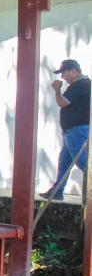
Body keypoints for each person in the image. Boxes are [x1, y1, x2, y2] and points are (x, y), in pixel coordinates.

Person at [41, 59, 90, 200]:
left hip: (76, 131)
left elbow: (62, 102)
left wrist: (57, 90)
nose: (62, 77)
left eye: (63, 73)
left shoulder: (80, 84)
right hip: (72, 131)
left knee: (82, 162)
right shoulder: (83, 84)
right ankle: (57, 190)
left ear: (73, 71)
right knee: (64, 162)